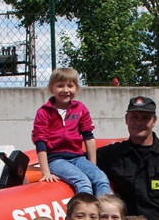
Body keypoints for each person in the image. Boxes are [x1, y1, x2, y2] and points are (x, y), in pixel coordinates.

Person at [33, 67, 111, 195]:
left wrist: (92, 165)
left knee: (101, 178)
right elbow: (40, 142)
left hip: (77, 157)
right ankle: (86, 212)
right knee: (82, 181)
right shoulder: (44, 112)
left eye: (70, 86)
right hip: (56, 159)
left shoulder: (80, 108)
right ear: (51, 88)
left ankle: (104, 212)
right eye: (60, 86)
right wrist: (46, 172)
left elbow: (88, 137)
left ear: (76, 88)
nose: (65, 90)